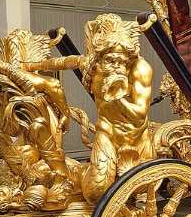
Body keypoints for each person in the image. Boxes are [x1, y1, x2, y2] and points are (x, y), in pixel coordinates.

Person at [23, 14, 155, 203]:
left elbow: (139, 115)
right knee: (95, 193)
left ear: (129, 58)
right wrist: (33, 65)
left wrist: (118, 98)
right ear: (100, 56)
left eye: (121, 61)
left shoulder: (140, 69)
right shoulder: (92, 66)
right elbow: (67, 62)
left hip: (134, 141)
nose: (116, 66)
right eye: (110, 60)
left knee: (129, 188)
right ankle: (69, 172)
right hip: (106, 134)